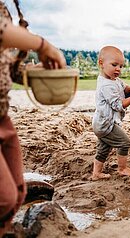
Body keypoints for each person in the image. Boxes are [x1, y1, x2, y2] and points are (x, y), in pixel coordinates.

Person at [0, 0, 66, 236]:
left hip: (2, 116)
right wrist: (43, 45)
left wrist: (35, 71)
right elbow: (1, 31)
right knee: (4, 198)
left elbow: (8, 68)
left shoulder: (3, 9)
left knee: (17, 192)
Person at [91, 46, 130, 180]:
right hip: (106, 124)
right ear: (101, 63)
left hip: (101, 123)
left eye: (121, 66)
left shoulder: (113, 79)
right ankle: (123, 169)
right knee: (124, 142)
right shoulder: (106, 85)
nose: (118, 69)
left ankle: (96, 173)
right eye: (114, 65)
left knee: (104, 147)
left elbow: (124, 88)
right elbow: (118, 105)